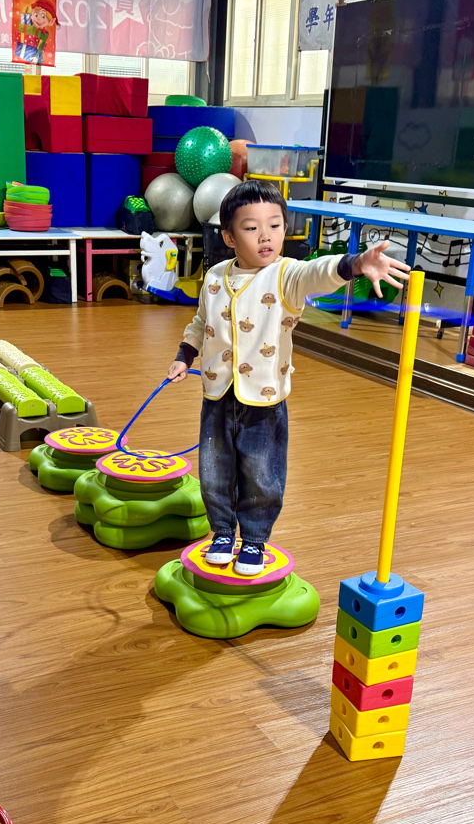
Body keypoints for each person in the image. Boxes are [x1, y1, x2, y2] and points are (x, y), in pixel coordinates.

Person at [167, 179, 410, 576]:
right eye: (251, 227)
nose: (266, 236)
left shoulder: (286, 276)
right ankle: (223, 532)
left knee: (261, 472)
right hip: (217, 394)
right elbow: (200, 322)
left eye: (275, 225)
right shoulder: (214, 277)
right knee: (214, 469)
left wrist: (354, 264)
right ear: (229, 237)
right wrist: (184, 356)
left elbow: (318, 272)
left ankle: (255, 538)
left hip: (264, 400)